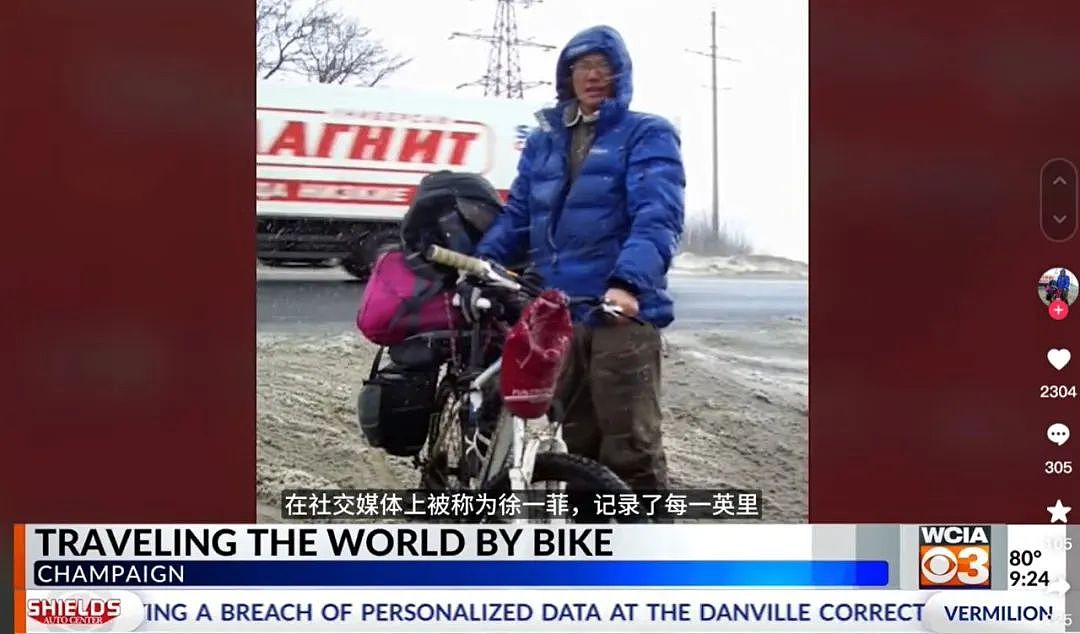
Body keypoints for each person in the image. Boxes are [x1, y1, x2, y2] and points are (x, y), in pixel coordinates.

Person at [461, 25, 686, 494]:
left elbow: (658, 215)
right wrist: (482, 264)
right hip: (560, 313)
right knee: (577, 445)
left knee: (631, 448)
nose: (593, 75)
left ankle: (649, 554)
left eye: (603, 66)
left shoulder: (647, 133)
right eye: (582, 66)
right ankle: (593, 546)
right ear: (567, 76)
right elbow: (520, 213)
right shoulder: (546, 139)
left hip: (617, 313)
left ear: (620, 74)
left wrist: (628, 284)